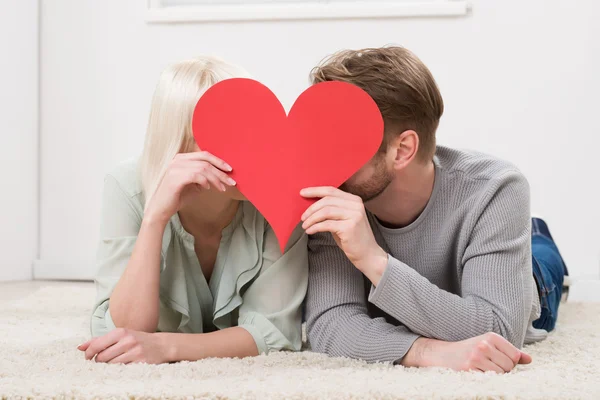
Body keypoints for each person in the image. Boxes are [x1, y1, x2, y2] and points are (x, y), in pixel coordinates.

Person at [302, 46, 568, 373]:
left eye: (340, 141)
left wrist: (372, 259)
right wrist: (426, 352)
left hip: (529, 277)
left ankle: (535, 234)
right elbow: (329, 324)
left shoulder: (495, 188)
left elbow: (500, 330)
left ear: (402, 150)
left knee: (543, 268)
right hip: (462, 270)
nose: (321, 156)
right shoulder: (334, 193)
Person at [77, 56, 308, 364]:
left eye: (256, 130)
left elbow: (274, 331)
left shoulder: (283, 193)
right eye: (230, 136)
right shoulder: (126, 186)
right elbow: (124, 333)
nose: (254, 151)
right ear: (181, 144)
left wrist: (167, 347)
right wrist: (155, 219)